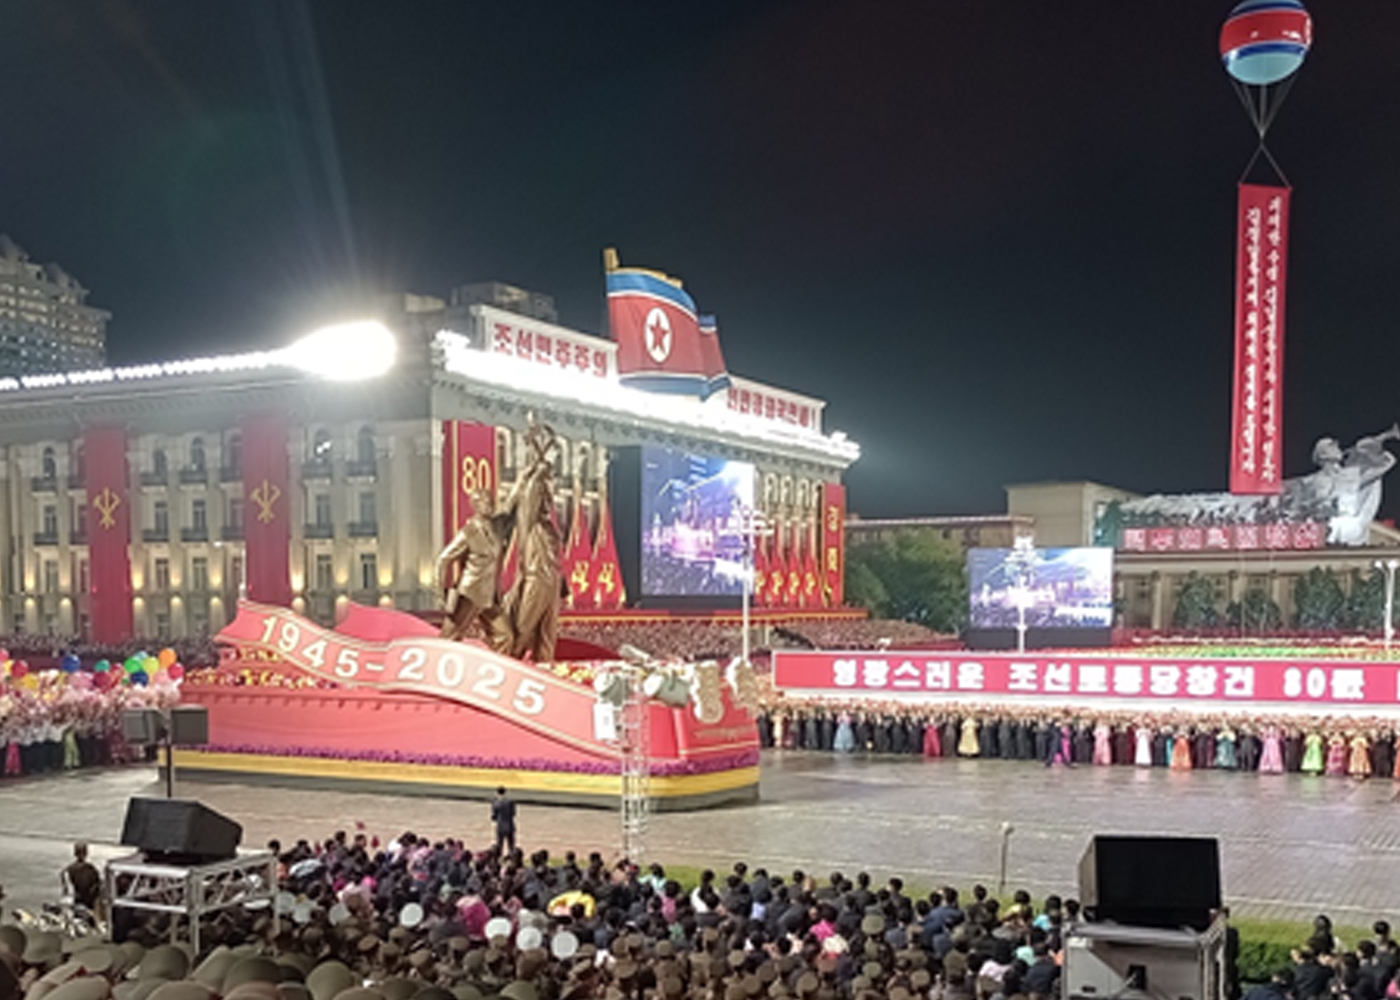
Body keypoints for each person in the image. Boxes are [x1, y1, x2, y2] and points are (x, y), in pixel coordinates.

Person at [62, 841, 102, 912]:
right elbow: (98, 887)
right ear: (86, 853)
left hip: (76, 902)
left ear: (75, 853)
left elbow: (67, 890)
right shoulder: (91, 869)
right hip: (88, 904)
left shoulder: (68, 870)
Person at [490, 786, 517, 857]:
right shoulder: (510, 802)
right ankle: (512, 856)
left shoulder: (496, 803)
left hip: (500, 826)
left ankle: (499, 857)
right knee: (511, 844)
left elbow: (494, 816)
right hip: (510, 825)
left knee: (499, 844)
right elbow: (513, 813)